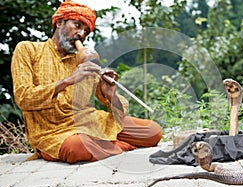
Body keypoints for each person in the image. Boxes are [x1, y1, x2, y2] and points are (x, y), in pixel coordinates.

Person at [11, 0, 162, 164]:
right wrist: (67, 81)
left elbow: (119, 111)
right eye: (77, 25)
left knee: (152, 132)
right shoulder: (28, 49)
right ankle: (117, 146)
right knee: (77, 147)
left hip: (91, 122)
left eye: (86, 31)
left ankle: (106, 146)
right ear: (60, 23)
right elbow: (23, 98)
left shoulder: (84, 61)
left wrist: (110, 95)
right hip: (53, 132)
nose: (81, 34)